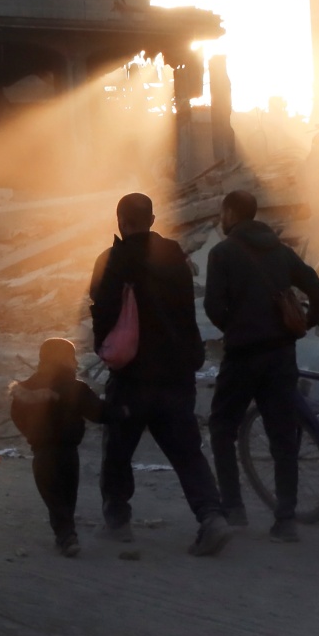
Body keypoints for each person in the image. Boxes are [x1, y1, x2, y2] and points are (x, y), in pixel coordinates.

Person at [89, 192, 233, 557]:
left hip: (132, 377)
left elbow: (102, 311)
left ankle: (118, 521)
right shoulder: (174, 256)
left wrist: (106, 348)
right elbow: (187, 311)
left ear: (120, 220)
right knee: (187, 452)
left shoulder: (112, 260)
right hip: (176, 372)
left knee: (118, 450)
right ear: (152, 220)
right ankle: (212, 517)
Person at [202, 189, 319, 541]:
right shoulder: (281, 251)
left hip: (243, 355)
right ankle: (285, 519)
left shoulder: (222, 253)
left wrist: (236, 326)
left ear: (230, 212)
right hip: (280, 355)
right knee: (282, 437)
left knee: (222, 428)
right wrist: (307, 324)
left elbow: (214, 306)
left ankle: (234, 509)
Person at [10, 338, 103, 557]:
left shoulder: (25, 388)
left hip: (42, 453)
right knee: (67, 496)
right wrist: (126, 411)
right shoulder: (76, 388)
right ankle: (67, 536)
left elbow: (16, 416)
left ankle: (66, 536)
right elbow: (99, 413)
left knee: (53, 497)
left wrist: (32, 434)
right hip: (68, 452)